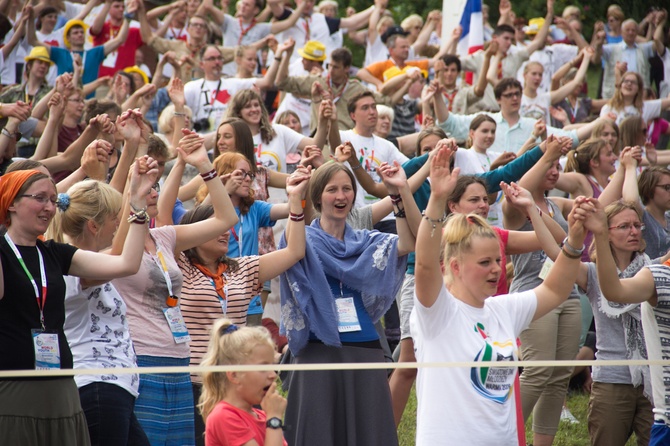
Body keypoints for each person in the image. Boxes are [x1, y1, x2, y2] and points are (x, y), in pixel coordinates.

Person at [411, 140, 592, 444]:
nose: (496, 269)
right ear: (455, 266)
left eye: (498, 260)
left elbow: (556, 289)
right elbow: (425, 267)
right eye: (484, 262)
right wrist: (437, 199)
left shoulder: (502, 309)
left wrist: (574, 241)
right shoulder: (437, 312)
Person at [0, 156, 157, 445]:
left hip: (61, 387)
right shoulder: (3, 251)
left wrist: (136, 203)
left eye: (52, 199)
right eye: (40, 199)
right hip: (15, 388)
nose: (49, 207)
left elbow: (126, 264)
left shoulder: (55, 253)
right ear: (11, 202)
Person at [110, 131, 239, 446]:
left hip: (179, 361)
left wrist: (204, 165)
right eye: (144, 186)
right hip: (141, 361)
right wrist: (133, 193)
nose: (152, 192)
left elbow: (226, 217)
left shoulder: (166, 237)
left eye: (155, 186)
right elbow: (118, 257)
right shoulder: (113, 245)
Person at [280, 160, 417, 446]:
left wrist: (397, 193)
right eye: (332, 190)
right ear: (317, 197)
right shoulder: (300, 238)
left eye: (346, 189)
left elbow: (408, 242)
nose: (341, 196)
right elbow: (292, 252)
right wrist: (295, 198)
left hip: (364, 349)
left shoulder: (367, 241)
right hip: (317, 351)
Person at [47, 178, 151, 446]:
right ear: (93, 226)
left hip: (114, 387)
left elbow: (118, 255)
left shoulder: (83, 261)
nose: (119, 225)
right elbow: (127, 263)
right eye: (115, 219)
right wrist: (138, 207)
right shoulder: (74, 267)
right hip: (97, 385)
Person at [588, 201, 670, 445]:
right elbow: (559, 253)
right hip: (612, 378)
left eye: (637, 225)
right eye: (624, 226)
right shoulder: (592, 272)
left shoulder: (654, 269)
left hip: (651, 381)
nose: (634, 231)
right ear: (607, 232)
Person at [199, 319, 288, 446]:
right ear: (234, 375)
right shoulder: (224, 417)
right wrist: (274, 418)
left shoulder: (262, 416)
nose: (273, 375)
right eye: (262, 368)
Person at [600, 71, 670, 126]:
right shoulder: (608, 109)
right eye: (626, 81)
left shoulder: (645, 107)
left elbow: (668, 102)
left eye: (633, 82)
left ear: (638, 89)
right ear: (620, 86)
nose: (629, 84)